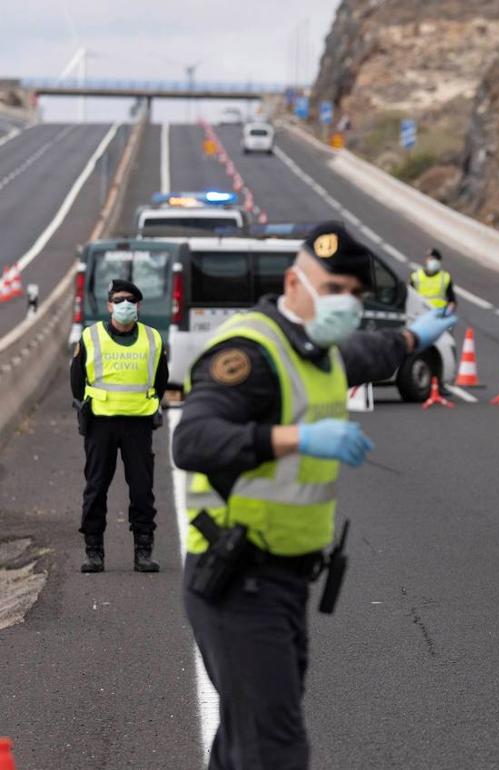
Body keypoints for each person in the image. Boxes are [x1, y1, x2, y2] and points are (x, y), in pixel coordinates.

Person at [174, 223, 457, 768]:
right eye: (333, 290)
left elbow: (370, 353)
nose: (346, 303)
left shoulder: (321, 350)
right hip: (237, 580)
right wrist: (295, 438)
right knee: (275, 748)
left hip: (283, 581)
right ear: (294, 282)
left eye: (355, 293)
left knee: (246, 737)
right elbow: (192, 438)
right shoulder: (251, 353)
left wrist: (414, 338)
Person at [71, 278, 169, 573]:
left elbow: (160, 380)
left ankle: (143, 550)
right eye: (118, 300)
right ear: (109, 305)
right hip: (101, 424)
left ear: (138, 305)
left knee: (142, 488)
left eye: (130, 300)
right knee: (96, 486)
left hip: (138, 425)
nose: (124, 305)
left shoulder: (153, 339)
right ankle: (94, 550)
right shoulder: (91, 337)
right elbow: (76, 381)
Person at [409, 247, 456, 313]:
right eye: (430, 258)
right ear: (426, 260)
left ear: (439, 262)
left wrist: (447, 313)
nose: (432, 261)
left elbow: (452, 301)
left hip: (437, 314)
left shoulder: (445, 277)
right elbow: (408, 294)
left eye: (434, 259)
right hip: (418, 313)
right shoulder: (416, 275)